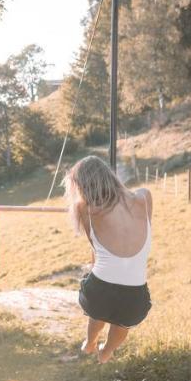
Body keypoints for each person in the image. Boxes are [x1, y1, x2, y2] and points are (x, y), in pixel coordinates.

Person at [65, 155, 152, 363]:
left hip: (99, 293)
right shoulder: (144, 197)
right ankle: (106, 352)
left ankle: (90, 342)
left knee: (99, 304)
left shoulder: (84, 208)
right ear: (109, 175)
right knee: (123, 322)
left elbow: (95, 246)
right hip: (135, 296)